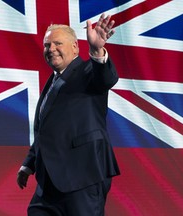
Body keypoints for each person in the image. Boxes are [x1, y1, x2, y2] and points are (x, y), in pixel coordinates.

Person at [17, 13, 120, 216]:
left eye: (57, 43)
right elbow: (46, 129)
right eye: (47, 45)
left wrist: (97, 50)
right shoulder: (53, 80)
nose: (51, 49)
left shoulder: (87, 71)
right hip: (49, 183)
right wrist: (29, 164)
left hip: (83, 178)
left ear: (75, 47)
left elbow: (106, 78)